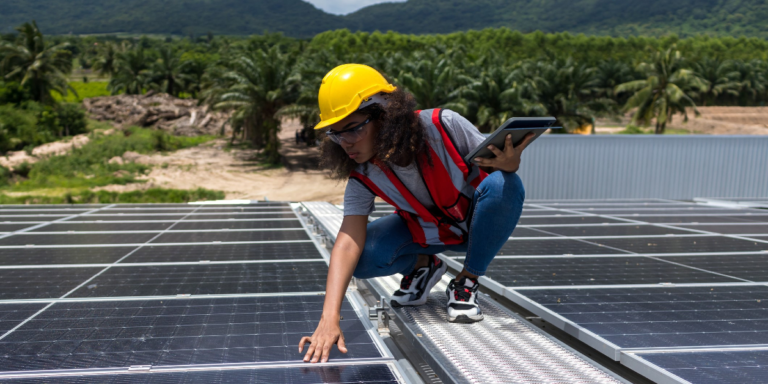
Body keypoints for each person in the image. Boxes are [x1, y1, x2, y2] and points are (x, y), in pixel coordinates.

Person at [299, 64, 532, 363]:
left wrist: (510, 164)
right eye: (335, 133)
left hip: (477, 227)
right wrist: (329, 317)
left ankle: (466, 281)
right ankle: (424, 265)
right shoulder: (363, 174)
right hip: (429, 233)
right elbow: (347, 241)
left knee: (505, 184)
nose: (345, 142)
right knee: (363, 257)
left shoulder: (444, 126)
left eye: (354, 128)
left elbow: (500, 180)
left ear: (385, 115)